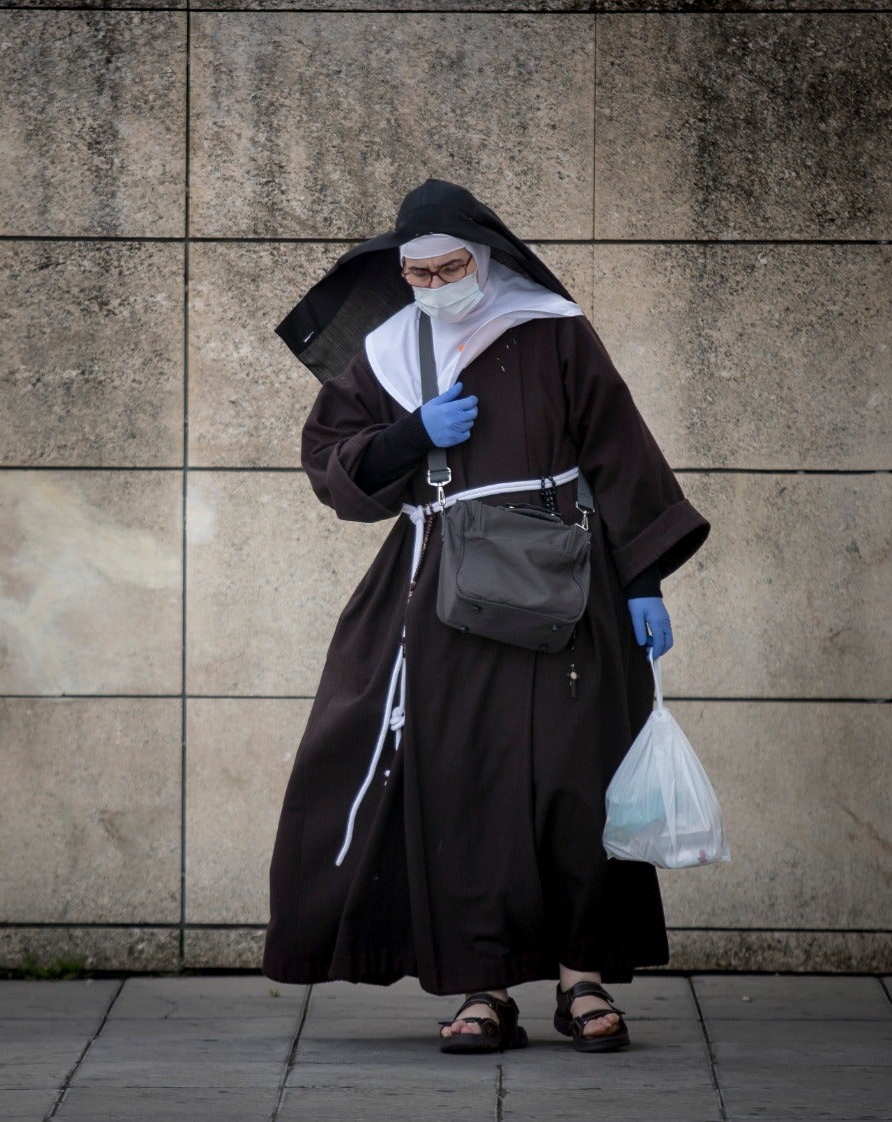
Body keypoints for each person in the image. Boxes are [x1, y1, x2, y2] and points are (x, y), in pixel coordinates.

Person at [263, 180, 709, 1054]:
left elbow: (619, 451)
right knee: (465, 790)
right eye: (419, 273)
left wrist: (644, 578)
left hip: (570, 586)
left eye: (451, 267)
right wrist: (409, 435)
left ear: (488, 256)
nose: (435, 285)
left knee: (580, 785)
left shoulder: (554, 331)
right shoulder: (391, 350)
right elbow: (331, 465)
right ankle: (483, 990)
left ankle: (583, 982)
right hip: (443, 597)